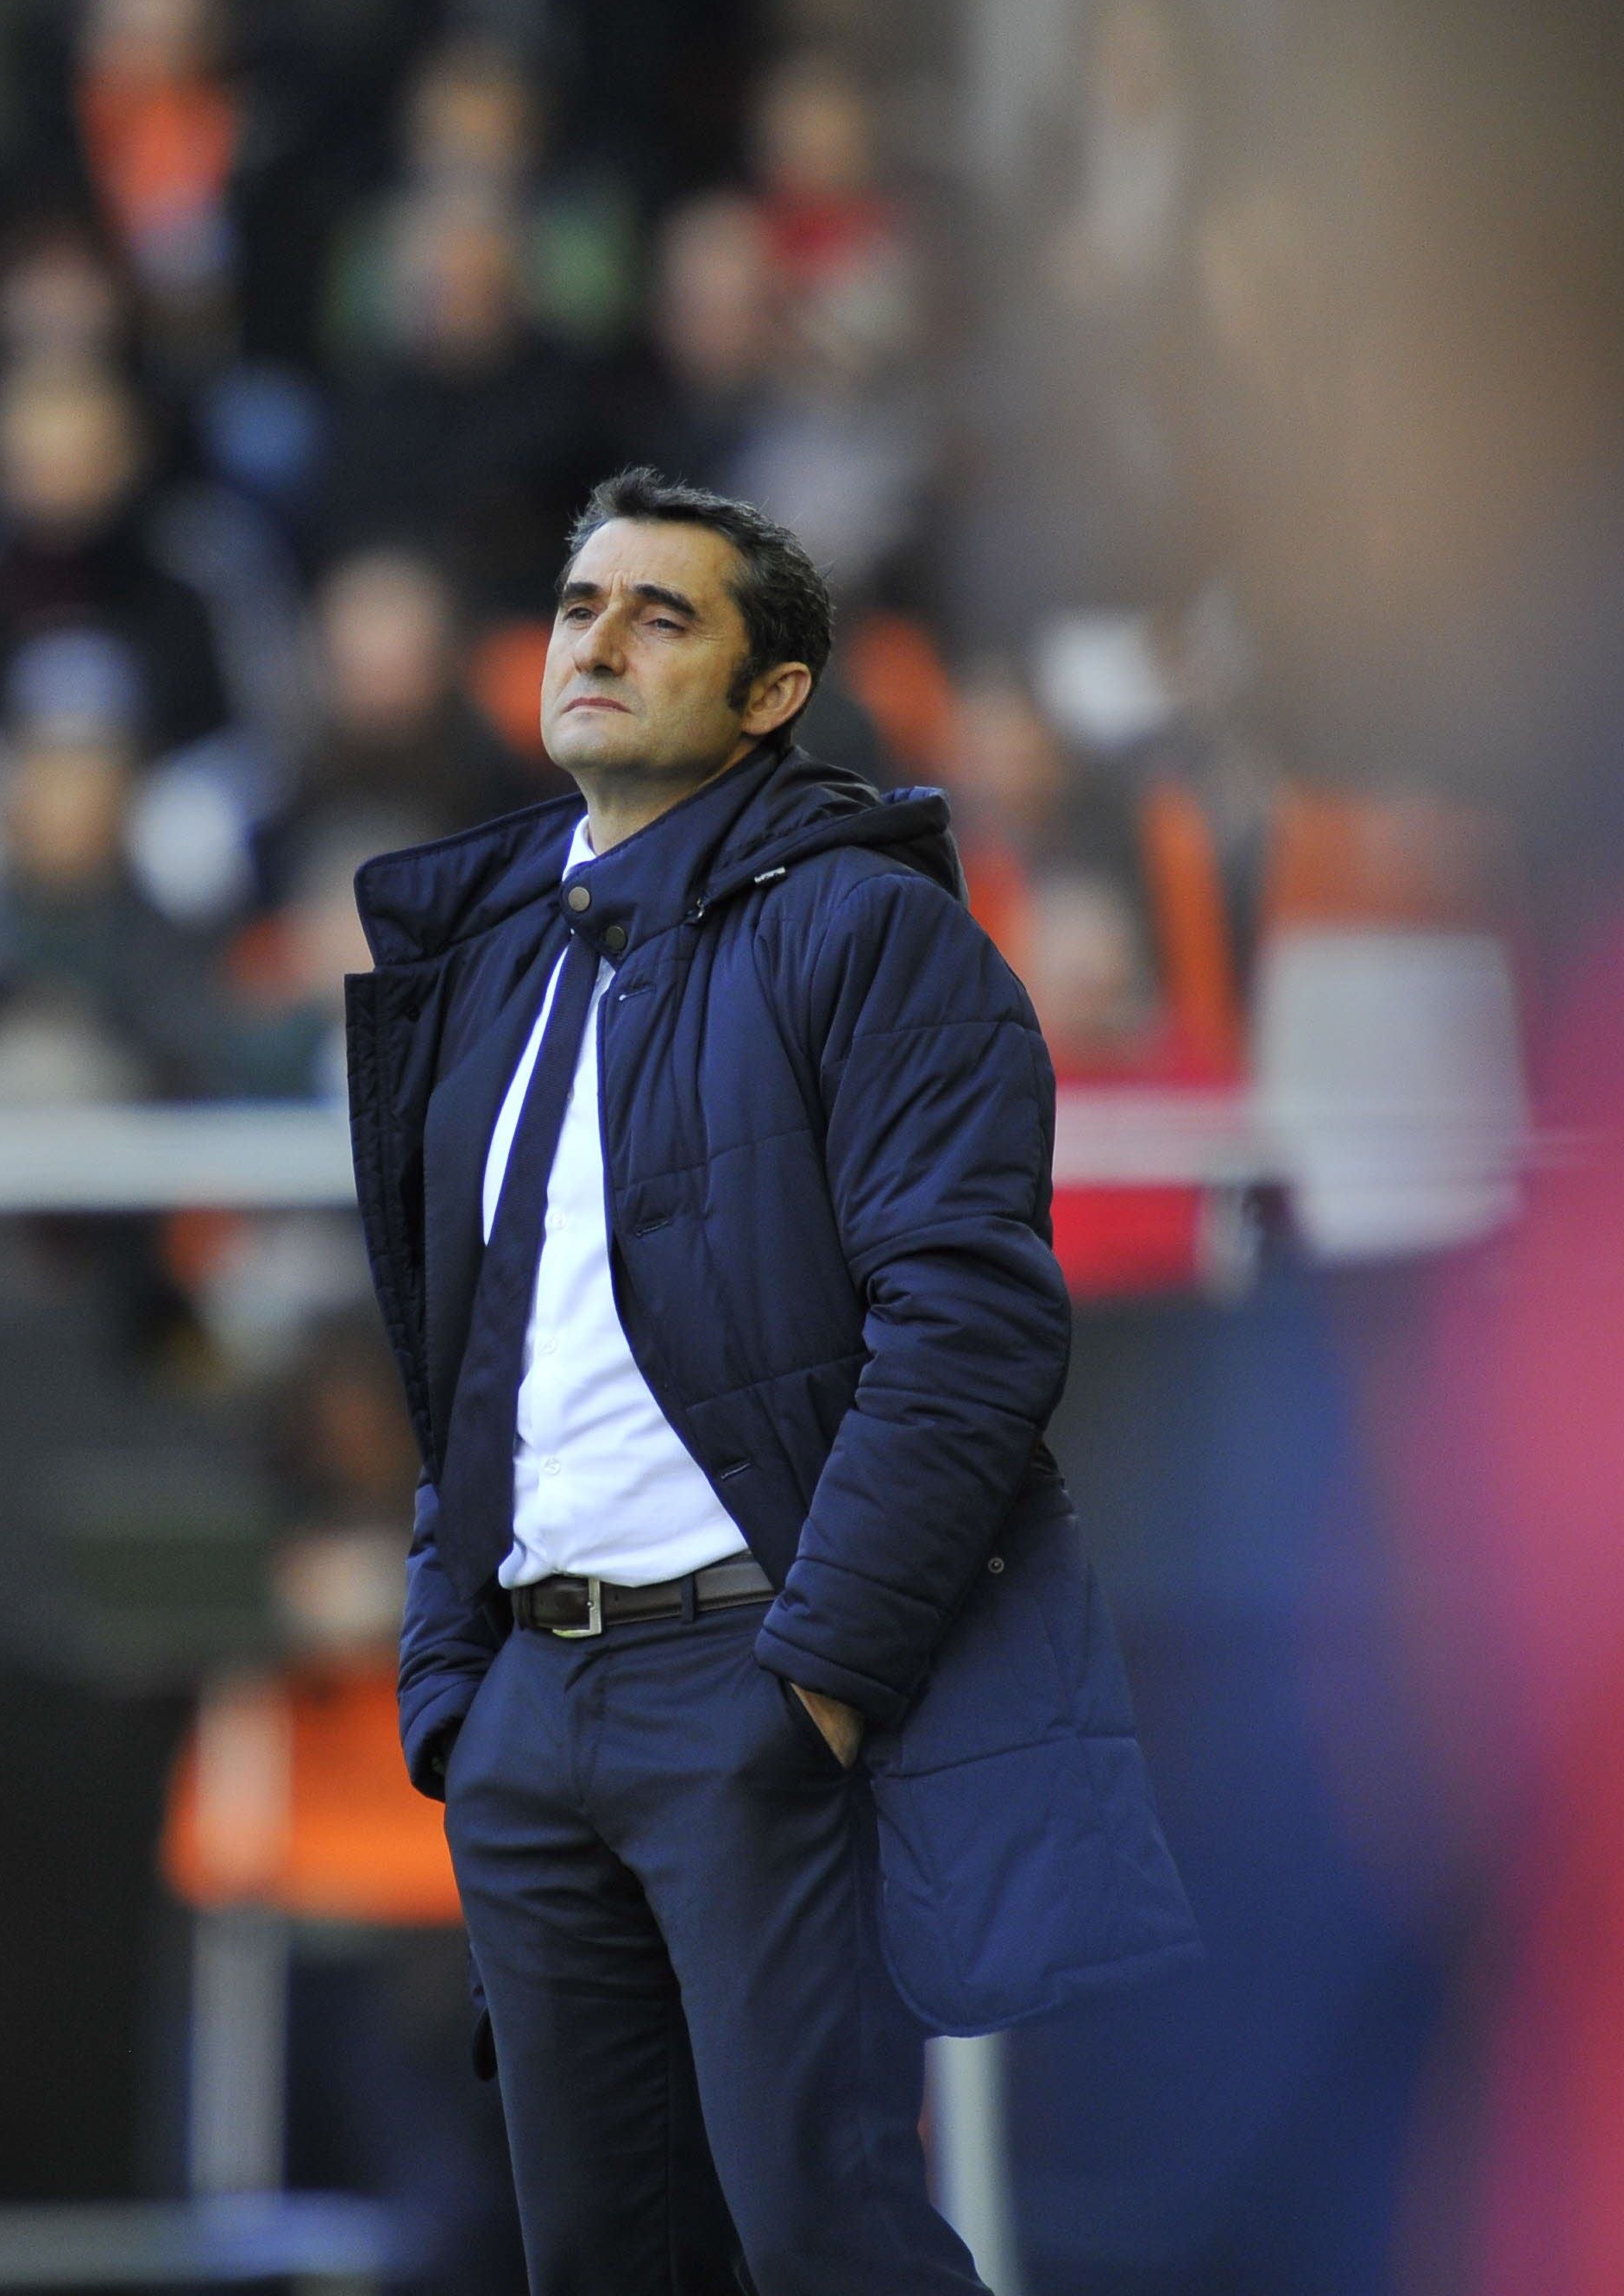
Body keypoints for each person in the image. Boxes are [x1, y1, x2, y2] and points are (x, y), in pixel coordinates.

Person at [341, 469, 1193, 2292]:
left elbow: (969, 1332)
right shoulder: (490, 966)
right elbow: (473, 1356)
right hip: (529, 1715)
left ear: (772, 692)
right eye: (580, 606)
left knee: (829, 2240)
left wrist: (812, 1685)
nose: (600, 640)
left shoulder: (866, 931)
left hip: (752, 1684)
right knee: (601, 2261)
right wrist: (455, 1685)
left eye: (665, 615)